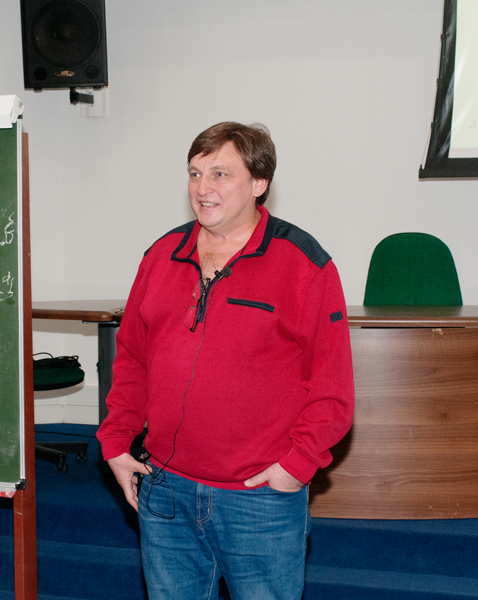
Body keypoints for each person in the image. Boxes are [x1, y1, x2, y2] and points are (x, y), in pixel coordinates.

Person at [96, 122, 354, 600]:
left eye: (219, 174)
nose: (202, 188)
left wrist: (296, 466)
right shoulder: (161, 256)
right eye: (195, 174)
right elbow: (132, 359)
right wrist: (115, 442)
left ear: (259, 183)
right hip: (165, 489)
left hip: (260, 500)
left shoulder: (304, 264)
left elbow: (332, 388)